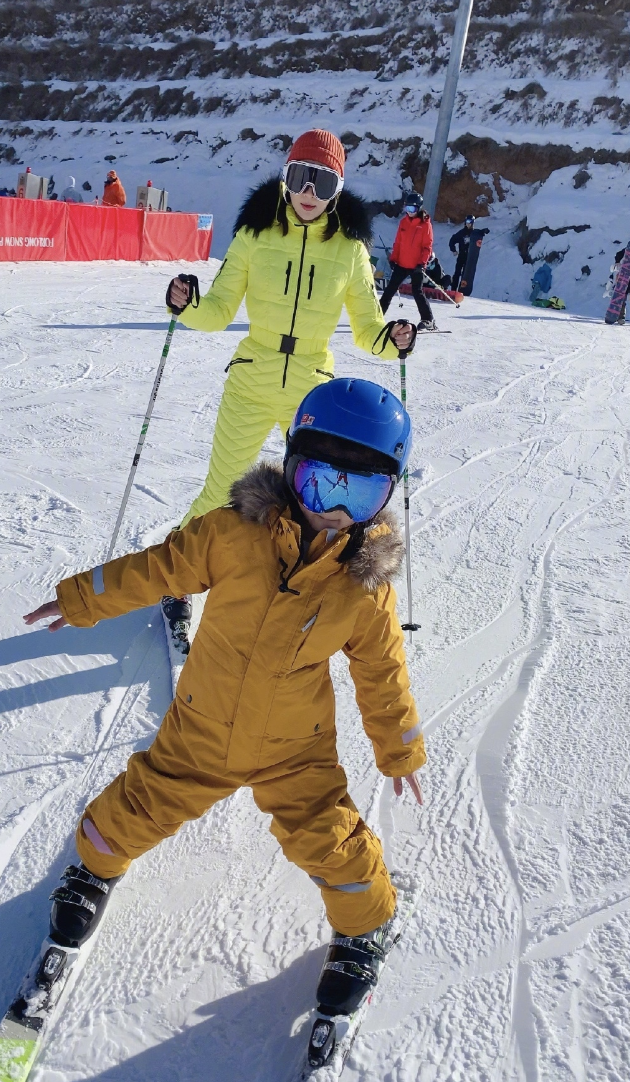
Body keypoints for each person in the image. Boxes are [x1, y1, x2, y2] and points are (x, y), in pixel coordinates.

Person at [24, 376, 426, 1028]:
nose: (333, 510)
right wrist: (81, 598)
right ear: (292, 467)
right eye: (320, 482)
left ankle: (367, 926)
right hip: (202, 726)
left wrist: (399, 745)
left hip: (295, 747)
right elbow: (157, 567)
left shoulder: (362, 586)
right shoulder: (234, 534)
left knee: (331, 841)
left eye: (360, 492)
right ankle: (92, 872)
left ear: (386, 496)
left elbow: (382, 671)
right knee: (122, 817)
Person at [163, 129, 414, 646]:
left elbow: (368, 331)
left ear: (337, 189)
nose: (309, 192)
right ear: (285, 177)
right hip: (252, 380)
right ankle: (176, 576)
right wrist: (187, 305)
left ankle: (307, 588)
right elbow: (217, 312)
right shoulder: (254, 235)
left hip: (312, 397)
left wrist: (394, 340)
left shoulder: (350, 251)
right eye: (300, 176)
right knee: (220, 489)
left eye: (322, 182)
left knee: (315, 497)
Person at [379, 192, 436, 330]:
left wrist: (422, 263)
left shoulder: (424, 225)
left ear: (418, 209)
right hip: (402, 263)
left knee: (417, 292)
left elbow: (427, 247)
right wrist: (393, 259)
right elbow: (398, 243)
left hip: (416, 265)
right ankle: (377, 315)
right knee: (389, 290)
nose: (409, 212)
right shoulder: (403, 222)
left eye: (412, 210)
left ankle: (428, 320)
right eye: (407, 209)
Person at [449, 214, 489, 291]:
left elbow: (481, 232)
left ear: (473, 223)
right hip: (461, 256)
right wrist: (453, 250)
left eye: (470, 222)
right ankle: (453, 290)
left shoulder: (474, 233)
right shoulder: (461, 233)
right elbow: (452, 240)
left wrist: (485, 231)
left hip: (469, 258)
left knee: (465, 275)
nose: (468, 224)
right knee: (457, 273)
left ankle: (462, 290)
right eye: (467, 222)